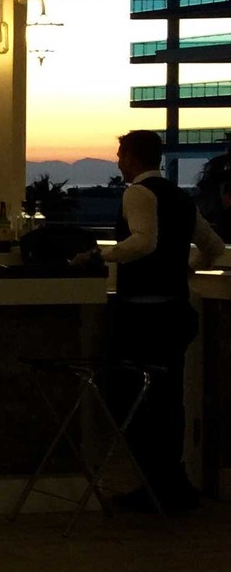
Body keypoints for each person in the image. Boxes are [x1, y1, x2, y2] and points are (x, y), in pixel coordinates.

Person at [84, 130, 226, 513]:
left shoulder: (136, 193)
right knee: (167, 400)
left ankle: (152, 485)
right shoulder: (180, 197)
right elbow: (213, 248)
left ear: (131, 157)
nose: (117, 161)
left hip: (142, 317)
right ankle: (168, 484)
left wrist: (103, 257)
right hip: (175, 314)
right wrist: (183, 269)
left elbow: (144, 241)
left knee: (129, 397)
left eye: (119, 154)